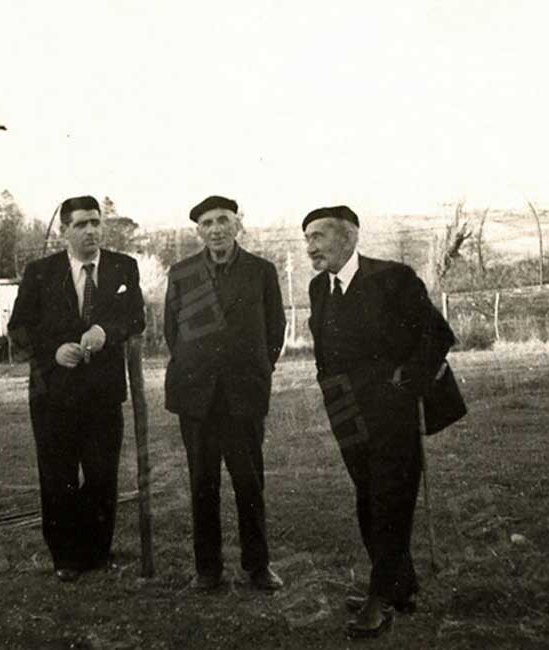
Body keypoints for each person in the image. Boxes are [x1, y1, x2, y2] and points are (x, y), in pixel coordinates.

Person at [303, 206, 466, 638]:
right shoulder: (319, 287)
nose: (310, 247)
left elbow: (437, 335)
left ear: (350, 237)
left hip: (393, 411)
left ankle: (380, 599)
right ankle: (401, 585)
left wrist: (405, 382)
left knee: (389, 499)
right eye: (307, 239)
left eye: (318, 236)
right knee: (368, 495)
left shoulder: (393, 278)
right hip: (345, 412)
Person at [8, 195, 145, 582]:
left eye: (97, 222)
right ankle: (66, 557)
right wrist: (54, 351)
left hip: (103, 394)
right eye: (82, 224)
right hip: (53, 395)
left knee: (102, 476)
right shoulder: (40, 272)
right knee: (58, 476)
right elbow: (18, 329)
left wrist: (107, 331)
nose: (91, 231)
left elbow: (136, 317)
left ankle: (96, 552)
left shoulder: (123, 267)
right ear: (65, 230)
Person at [164, 195, 286, 591]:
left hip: (243, 395)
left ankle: (257, 566)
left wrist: (254, 370)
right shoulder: (181, 273)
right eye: (207, 223)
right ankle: (208, 570)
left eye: (223, 220)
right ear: (198, 231)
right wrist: (195, 367)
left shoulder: (261, 271)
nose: (216, 229)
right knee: (202, 482)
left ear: (238, 224)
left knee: (249, 481)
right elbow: (172, 331)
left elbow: (275, 329)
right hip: (196, 397)